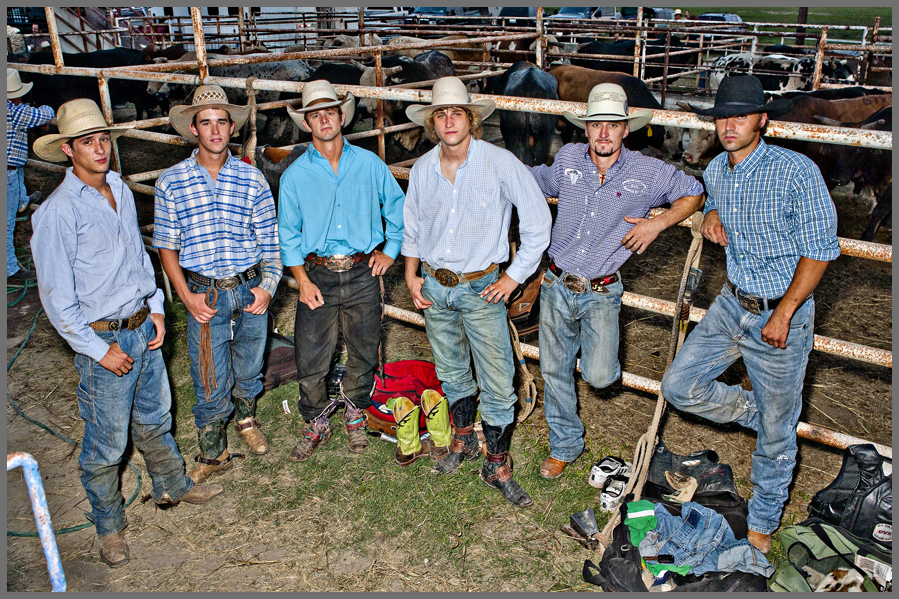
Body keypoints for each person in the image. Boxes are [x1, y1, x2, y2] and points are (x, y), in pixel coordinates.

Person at [30, 99, 224, 568]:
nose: (99, 149)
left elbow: (140, 257)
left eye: (102, 140)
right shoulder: (57, 213)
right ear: (68, 151)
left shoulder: (117, 185)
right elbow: (56, 297)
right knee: (107, 442)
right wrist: (98, 350)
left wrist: (156, 308)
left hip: (141, 325)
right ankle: (109, 526)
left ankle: (173, 484)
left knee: (156, 416)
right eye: (87, 143)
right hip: (106, 337)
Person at [660, 76, 841, 553]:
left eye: (740, 115)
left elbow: (820, 251)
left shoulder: (796, 172)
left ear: (763, 118)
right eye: (722, 117)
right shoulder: (718, 169)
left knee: (777, 439)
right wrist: (712, 213)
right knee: (679, 386)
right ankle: (759, 413)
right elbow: (716, 199)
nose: (729, 125)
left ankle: (762, 519)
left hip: (781, 314)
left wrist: (783, 313)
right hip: (731, 303)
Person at [529, 83, 705, 480]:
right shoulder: (569, 158)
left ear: (627, 129)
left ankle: (587, 370)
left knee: (600, 375)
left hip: (602, 290)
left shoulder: (649, 171)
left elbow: (694, 191)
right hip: (556, 281)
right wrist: (489, 164)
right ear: (585, 129)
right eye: (596, 125)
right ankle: (565, 445)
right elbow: (537, 180)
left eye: (613, 125)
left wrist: (657, 223)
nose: (603, 134)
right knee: (554, 371)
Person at [402, 77, 552, 507]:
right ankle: (464, 440)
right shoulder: (423, 169)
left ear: (471, 119)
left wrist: (513, 276)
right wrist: (411, 276)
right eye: (441, 114)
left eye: (457, 113)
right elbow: (412, 227)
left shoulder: (500, 163)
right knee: (450, 369)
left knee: (499, 380)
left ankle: (497, 462)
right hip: (434, 284)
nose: (449, 120)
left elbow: (538, 223)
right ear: (432, 123)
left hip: (483, 285)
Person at [154, 85, 282, 483]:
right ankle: (213, 449)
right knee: (207, 368)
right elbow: (166, 246)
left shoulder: (252, 178)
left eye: (222, 122)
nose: (214, 130)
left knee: (249, 359)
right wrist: (185, 296)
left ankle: (246, 421)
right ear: (193, 128)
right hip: (203, 290)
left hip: (248, 286)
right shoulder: (171, 182)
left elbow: (270, 241)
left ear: (232, 128)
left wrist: (268, 285)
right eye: (205, 122)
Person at [278, 80, 405, 462]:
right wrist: (300, 280)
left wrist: (391, 250)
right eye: (315, 115)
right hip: (316, 272)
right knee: (310, 352)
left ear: (341, 116)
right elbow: (288, 234)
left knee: (364, 346)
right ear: (307, 124)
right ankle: (316, 417)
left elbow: (396, 209)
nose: (323, 120)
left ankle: (354, 410)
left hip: (363, 270)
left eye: (329, 111)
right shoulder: (295, 176)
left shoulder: (368, 163)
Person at [7, 68, 53, 283]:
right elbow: (46, 113)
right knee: (6, 225)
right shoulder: (16, 112)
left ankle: (22, 200)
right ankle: (9, 270)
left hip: (11, 169)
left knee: (16, 175)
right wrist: (40, 107)